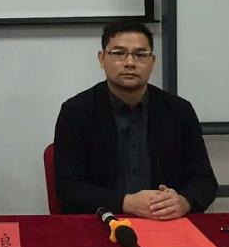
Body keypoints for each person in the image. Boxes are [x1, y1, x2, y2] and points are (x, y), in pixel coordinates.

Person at [54, 21, 217, 218]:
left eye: (140, 55)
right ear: (102, 59)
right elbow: (68, 187)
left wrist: (184, 201)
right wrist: (126, 203)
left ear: (152, 62)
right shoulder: (76, 111)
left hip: (164, 222)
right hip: (101, 220)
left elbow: (204, 180)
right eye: (119, 53)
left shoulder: (179, 111)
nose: (130, 62)